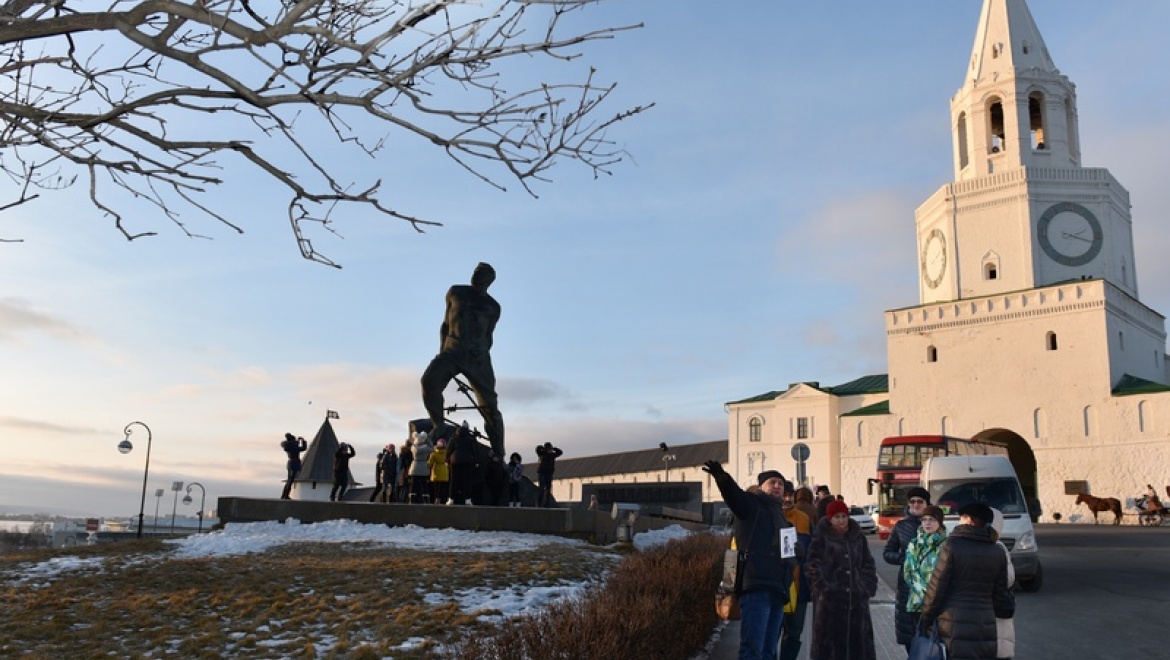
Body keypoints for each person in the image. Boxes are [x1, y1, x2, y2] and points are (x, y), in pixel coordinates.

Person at [702, 461, 795, 660]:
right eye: (773, 482)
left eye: (781, 483)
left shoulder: (781, 516)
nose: (778, 486)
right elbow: (734, 496)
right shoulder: (752, 505)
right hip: (756, 587)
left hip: (778, 591)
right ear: (761, 486)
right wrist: (722, 478)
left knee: (769, 651)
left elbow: (788, 555)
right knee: (752, 649)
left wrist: (797, 554)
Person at [420, 262, 505, 458]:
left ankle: (498, 451)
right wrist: (443, 351)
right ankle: (439, 425)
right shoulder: (455, 292)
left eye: (481, 273)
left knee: (489, 406)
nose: (476, 275)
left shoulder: (492, 307)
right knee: (429, 382)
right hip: (451, 351)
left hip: (478, 357)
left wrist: (481, 353)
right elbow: (445, 324)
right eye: (475, 271)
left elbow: (489, 334)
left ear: (489, 280)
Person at [921, 502, 1015, 659]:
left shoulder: (952, 545)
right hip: (985, 626)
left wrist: (926, 618)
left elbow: (937, 587)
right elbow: (1002, 598)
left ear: (969, 520)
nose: (958, 522)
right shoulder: (997, 551)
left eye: (961, 518)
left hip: (953, 624)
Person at [806, 499, 878, 660]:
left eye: (844, 516)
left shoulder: (858, 537)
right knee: (831, 648)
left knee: (858, 647)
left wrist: (867, 587)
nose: (841, 520)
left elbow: (868, 563)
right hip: (831, 606)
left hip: (857, 604)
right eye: (837, 517)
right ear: (830, 518)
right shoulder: (822, 537)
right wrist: (823, 589)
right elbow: (812, 565)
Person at [882, 485, 931, 653]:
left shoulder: (935, 526)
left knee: (930, 637)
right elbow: (888, 552)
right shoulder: (901, 526)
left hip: (931, 588)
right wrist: (903, 559)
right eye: (913, 501)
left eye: (920, 501)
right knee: (910, 637)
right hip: (907, 588)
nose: (916, 504)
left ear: (927, 504)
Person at [902, 505, 948, 645]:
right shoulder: (914, 544)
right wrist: (925, 594)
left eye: (932, 519)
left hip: (940, 605)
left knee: (939, 646)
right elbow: (908, 572)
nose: (927, 523)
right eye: (924, 519)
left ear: (939, 522)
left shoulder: (947, 545)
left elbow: (947, 574)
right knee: (921, 645)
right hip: (917, 604)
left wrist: (934, 597)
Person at [780, 480, 812, 660]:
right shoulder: (770, 517)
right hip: (777, 586)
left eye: (789, 495)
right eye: (784, 495)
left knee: (794, 633)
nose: (786, 499)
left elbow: (813, 550)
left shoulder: (803, 519)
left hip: (800, 588)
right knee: (773, 632)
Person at [990, 508, 1015, 660]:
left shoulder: (999, 548)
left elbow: (1009, 578)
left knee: (1000, 648)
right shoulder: (999, 547)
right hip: (996, 608)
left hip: (997, 608)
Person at [446, 424, 478, 505]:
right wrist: (476, 461)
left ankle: (451, 499)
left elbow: (449, 450)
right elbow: (474, 451)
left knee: (453, 480)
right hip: (468, 461)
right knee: (467, 481)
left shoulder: (453, 439)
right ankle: (468, 499)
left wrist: (447, 460)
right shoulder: (470, 439)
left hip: (455, 460)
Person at [535, 442, 563, 508]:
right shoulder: (542, 453)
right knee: (541, 488)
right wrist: (544, 449)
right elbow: (537, 449)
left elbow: (560, 452)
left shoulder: (552, 455)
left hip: (549, 473)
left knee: (548, 489)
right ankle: (539, 504)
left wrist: (553, 449)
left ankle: (547, 504)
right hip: (542, 473)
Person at [280, 433, 307, 500]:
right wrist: (302, 441)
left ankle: (284, 495)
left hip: (290, 463)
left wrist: (299, 442)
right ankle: (285, 495)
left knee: (289, 480)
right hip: (294, 463)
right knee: (290, 481)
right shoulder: (294, 446)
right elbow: (303, 448)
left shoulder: (288, 446)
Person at [410, 432, 433, 503]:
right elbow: (432, 448)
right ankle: (425, 499)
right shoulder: (426, 449)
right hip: (423, 465)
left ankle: (412, 499)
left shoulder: (413, 448)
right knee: (424, 485)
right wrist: (428, 439)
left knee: (413, 484)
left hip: (415, 466)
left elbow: (412, 444)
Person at [428, 438, 450, 504]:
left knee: (436, 487)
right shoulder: (447, 453)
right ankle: (442, 500)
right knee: (443, 487)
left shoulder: (434, 453)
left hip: (436, 470)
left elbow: (429, 463)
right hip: (444, 469)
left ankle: (436, 499)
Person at [397, 438, 414, 503]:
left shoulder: (401, 453)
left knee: (402, 486)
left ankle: (400, 499)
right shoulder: (409, 453)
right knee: (406, 486)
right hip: (406, 471)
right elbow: (408, 463)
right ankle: (403, 499)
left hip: (401, 471)